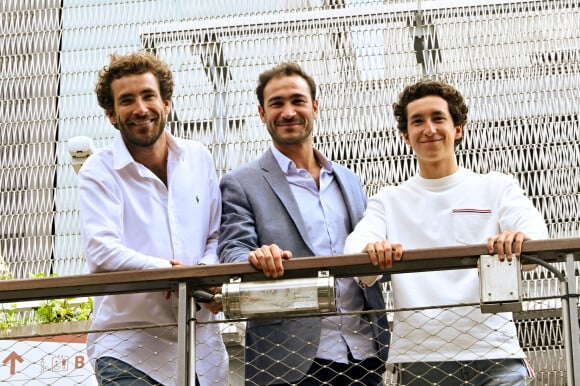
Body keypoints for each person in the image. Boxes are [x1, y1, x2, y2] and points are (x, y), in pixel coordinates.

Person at [344, 79, 548, 385]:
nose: (429, 129)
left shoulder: (496, 187)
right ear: (405, 135)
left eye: (438, 118)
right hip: (419, 360)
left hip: (495, 354)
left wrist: (517, 240)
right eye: (417, 121)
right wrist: (372, 252)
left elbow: (537, 240)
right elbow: (355, 256)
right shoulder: (388, 200)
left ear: (458, 128)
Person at [218, 62, 389, 385]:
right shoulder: (241, 182)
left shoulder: (349, 180)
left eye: (297, 101)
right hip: (288, 359)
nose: (288, 112)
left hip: (364, 352)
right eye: (276, 104)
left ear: (314, 106)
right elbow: (232, 248)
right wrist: (255, 257)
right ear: (261, 113)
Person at [78, 51, 228, 386]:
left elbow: (217, 235)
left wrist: (203, 273)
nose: (140, 108)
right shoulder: (98, 171)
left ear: (167, 103)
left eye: (148, 96)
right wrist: (167, 272)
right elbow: (102, 250)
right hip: (129, 351)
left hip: (202, 350)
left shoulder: (199, 158)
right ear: (111, 115)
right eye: (126, 100)